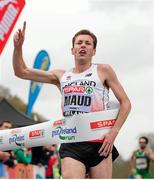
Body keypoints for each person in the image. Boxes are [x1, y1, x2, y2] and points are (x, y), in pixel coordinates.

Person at [12, 21, 131, 178]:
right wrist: (18, 47)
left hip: (100, 142)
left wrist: (114, 132)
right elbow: (22, 71)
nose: (83, 46)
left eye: (88, 43)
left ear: (94, 50)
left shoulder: (103, 70)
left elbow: (126, 103)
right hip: (71, 140)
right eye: (79, 43)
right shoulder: (61, 76)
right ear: (72, 49)